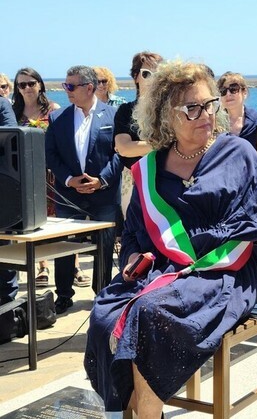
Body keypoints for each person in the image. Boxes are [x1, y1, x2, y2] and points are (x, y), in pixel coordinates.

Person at [83, 60, 257, 417]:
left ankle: (144, 412)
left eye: (209, 104)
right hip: (160, 274)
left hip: (219, 277)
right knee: (104, 315)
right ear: (166, 115)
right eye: (191, 108)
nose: (205, 115)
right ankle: (134, 408)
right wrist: (132, 258)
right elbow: (133, 232)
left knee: (148, 315)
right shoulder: (150, 167)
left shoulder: (236, 154)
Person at [45, 65, 121, 314]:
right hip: (69, 195)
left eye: (71, 86)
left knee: (105, 246)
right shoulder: (58, 118)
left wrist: (102, 180)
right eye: (65, 85)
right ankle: (64, 294)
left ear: (90, 87)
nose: (65, 90)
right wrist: (68, 179)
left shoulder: (113, 116)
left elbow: (120, 154)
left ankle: (101, 294)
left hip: (104, 194)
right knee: (65, 246)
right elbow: (51, 154)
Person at [12, 67, 63, 287]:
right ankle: (43, 267)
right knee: (34, 220)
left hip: (50, 173)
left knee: (58, 219)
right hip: (24, 174)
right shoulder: (13, 113)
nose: (27, 88)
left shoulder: (53, 110)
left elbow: (62, 143)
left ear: (40, 84)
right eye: (22, 85)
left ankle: (74, 266)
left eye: (31, 83)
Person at [114, 51, 162, 223]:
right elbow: (124, 148)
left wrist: (138, 146)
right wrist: (163, 144)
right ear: (136, 77)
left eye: (158, 74)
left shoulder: (170, 111)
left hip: (165, 180)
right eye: (146, 74)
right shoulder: (125, 111)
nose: (153, 79)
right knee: (135, 232)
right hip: (134, 182)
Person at [217, 71, 257, 165]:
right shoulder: (214, 123)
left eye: (233, 89)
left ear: (244, 92)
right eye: (223, 91)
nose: (228, 94)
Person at [0, 97, 17, 305]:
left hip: (3, 186)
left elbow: (11, 135)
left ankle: (7, 305)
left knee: (4, 249)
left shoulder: (2, 105)